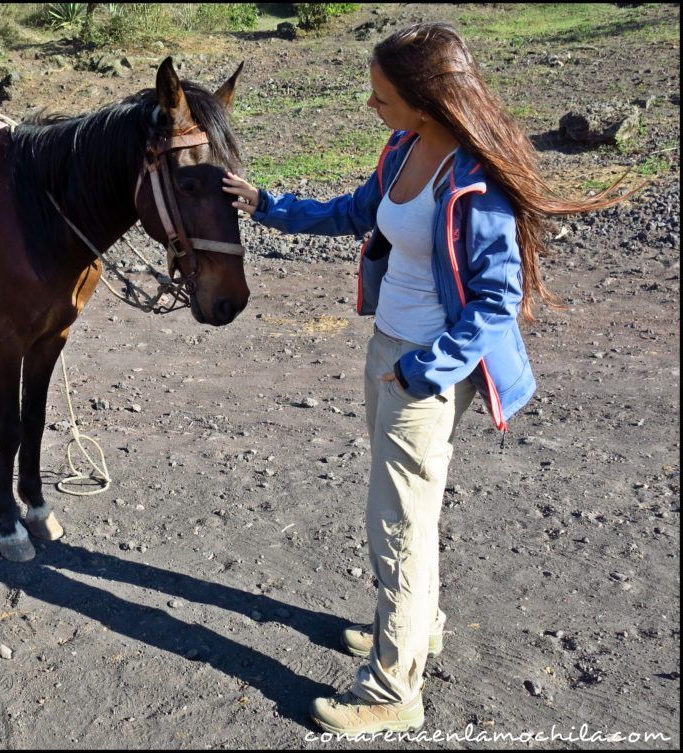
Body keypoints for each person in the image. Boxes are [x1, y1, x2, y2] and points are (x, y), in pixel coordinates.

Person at [223, 21, 633, 737]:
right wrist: (269, 206)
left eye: (382, 95)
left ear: (424, 100)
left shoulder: (476, 185)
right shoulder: (405, 148)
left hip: (425, 367)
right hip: (392, 350)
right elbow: (356, 212)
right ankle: (420, 624)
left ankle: (391, 688)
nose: (371, 105)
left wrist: (418, 371)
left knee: (398, 523)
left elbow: (497, 304)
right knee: (405, 509)